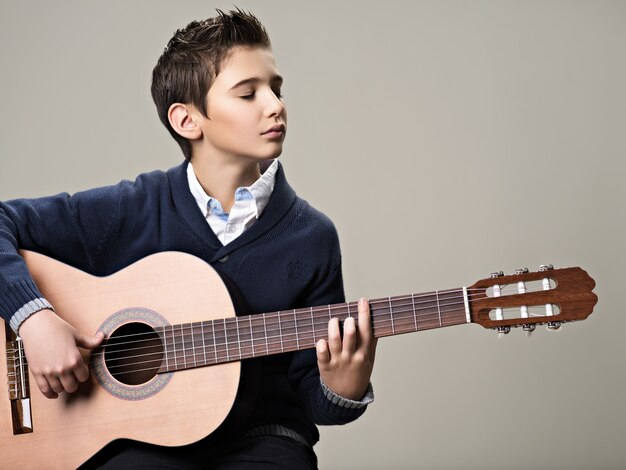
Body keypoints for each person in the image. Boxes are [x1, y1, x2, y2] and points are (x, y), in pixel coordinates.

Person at [0, 7, 377, 469]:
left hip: (261, 440)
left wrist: (343, 387)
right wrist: (33, 320)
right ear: (187, 121)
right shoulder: (134, 207)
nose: (275, 105)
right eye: (248, 93)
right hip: (137, 440)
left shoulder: (312, 237)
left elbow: (310, 398)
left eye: (275, 88)